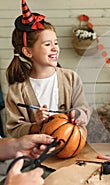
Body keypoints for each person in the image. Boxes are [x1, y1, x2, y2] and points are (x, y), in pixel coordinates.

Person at [5, 0, 90, 138]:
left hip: (71, 151)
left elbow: (83, 108)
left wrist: (79, 114)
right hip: (36, 155)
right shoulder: (17, 89)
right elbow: (14, 128)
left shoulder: (71, 78)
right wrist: (36, 126)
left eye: (56, 43)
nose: (55, 48)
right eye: (47, 44)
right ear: (28, 52)